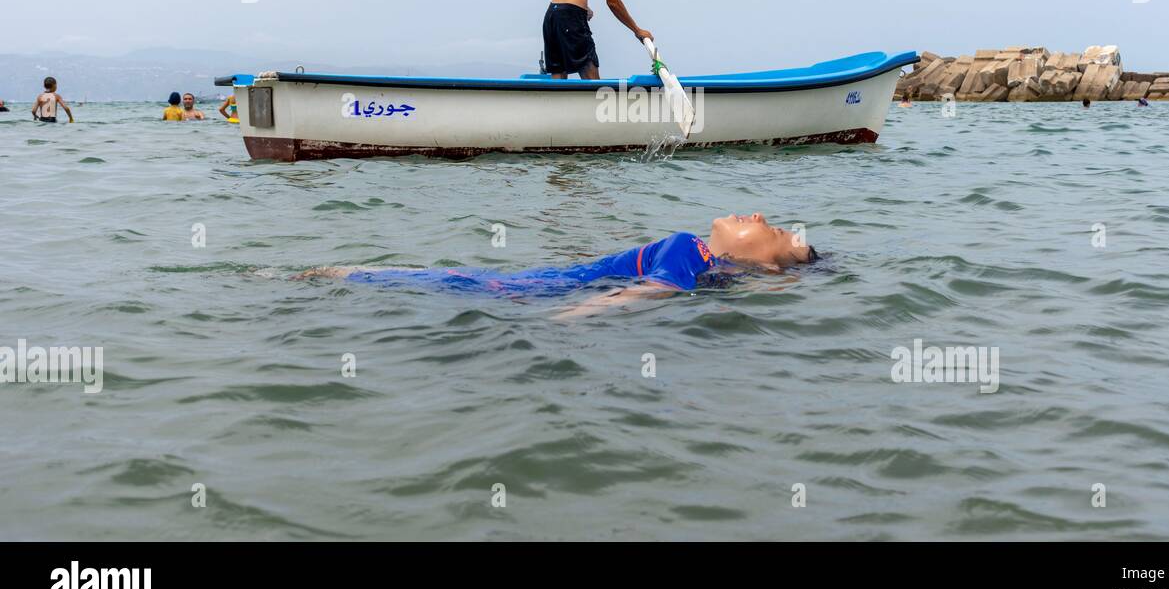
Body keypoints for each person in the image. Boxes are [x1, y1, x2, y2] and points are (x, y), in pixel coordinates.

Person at [298, 213, 817, 319]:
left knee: (350, 275)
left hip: (527, 289)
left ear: (770, 273)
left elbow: (649, 292)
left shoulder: (691, 250)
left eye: (771, 231)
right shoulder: (706, 274)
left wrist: (568, 321)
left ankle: (301, 282)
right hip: (538, 285)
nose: (759, 216)